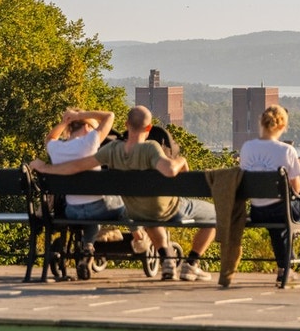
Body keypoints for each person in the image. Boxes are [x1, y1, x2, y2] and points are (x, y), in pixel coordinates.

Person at [31, 106, 214, 281]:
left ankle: (164, 259)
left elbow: (75, 165)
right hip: (159, 209)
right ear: (149, 128)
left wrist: (46, 168)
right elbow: (169, 170)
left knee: (142, 212)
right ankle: (181, 259)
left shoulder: (109, 150)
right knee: (214, 214)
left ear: (126, 125)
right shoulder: (146, 147)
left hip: (110, 210)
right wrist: (181, 160)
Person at [44, 108, 123, 267]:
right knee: (124, 203)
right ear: (87, 127)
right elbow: (110, 115)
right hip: (99, 209)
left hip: (71, 211)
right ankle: (138, 237)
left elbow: (50, 137)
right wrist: (80, 115)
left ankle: (89, 246)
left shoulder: (56, 148)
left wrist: (64, 121)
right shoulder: (91, 141)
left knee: (88, 211)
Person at [237, 105, 300, 289]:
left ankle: (285, 268)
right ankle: (285, 267)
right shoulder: (286, 150)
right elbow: (297, 188)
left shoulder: (247, 148)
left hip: (258, 211)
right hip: (282, 212)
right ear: (282, 126)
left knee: (278, 226)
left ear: (261, 123)